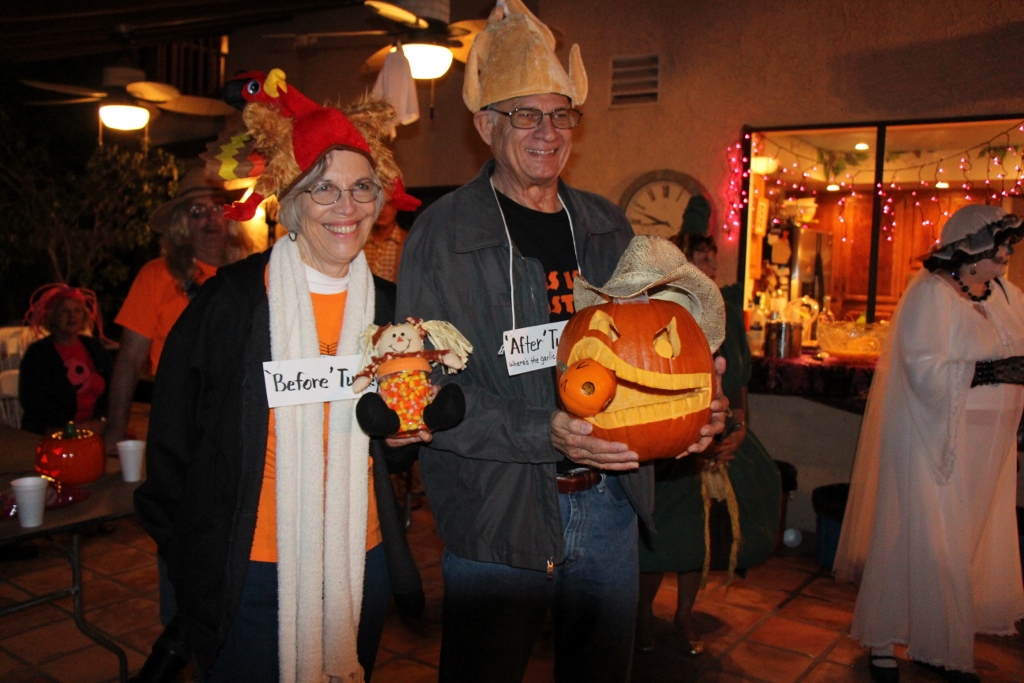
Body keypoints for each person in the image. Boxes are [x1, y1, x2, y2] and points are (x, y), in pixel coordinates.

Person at [395, 2, 726, 681]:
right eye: (526, 114)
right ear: (486, 124)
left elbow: (649, 348)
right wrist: (544, 430)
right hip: (498, 510)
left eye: (560, 114)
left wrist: (693, 412)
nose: (548, 132)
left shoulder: (604, 224)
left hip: (608, 505)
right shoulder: (441, 236)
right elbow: (424, 390)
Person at [133, 76, 425, 683]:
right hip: (253, 570)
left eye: (361, 187)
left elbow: (385, 449)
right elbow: (171, 448)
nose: (346, 207)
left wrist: (400, 442)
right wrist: (195, 556)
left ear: (379, 201)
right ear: (288, 202)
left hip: (356, 563)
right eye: (324, 189)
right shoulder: (228, 307)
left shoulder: (392, 311)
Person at [833, 204, 1024, 683]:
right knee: (920, 538)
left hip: (987, 448)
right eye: (998, 244)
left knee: (961, 546)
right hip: (933, 440)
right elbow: (923, 369)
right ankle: (883, 637)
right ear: (970, 249)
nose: (1006, 253)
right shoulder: (932, 296)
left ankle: (936, 644)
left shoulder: (1005, 294)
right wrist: (992, 371)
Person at [635, 231, 781, 655]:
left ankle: (683, 617)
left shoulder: (729, 312)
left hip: (722, 440)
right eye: (701, 258)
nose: (710, 268)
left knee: (702, 539)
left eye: (713, 260)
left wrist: (737, 428)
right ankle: (642, 620)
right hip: (675, 447)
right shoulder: (664, 311)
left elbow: (738, 384)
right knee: (665, 537)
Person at [103, 165, 252, 456]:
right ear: (183, 223)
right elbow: (130, 360)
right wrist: (115, 429)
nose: (210, 218)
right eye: (197, 211)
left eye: (218, 208)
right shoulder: (157, 275)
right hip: (178, 415)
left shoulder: (252, 275)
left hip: (239, 413)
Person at [18, 284, 113, 435]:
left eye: (77, 310)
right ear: (53, 317)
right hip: (54, 431)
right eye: (65, 311)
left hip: (94, 428)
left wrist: (100, 421)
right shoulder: (38, 354)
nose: (72, 316)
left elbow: (112, 389)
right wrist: (70, 428)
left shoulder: (95, 348)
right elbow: (33, 401)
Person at [362, 187, 406, 283]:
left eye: (388, 204)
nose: (382, 209)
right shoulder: (358, 242)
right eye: (378, 203)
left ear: (397, 206)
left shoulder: (408, 242)